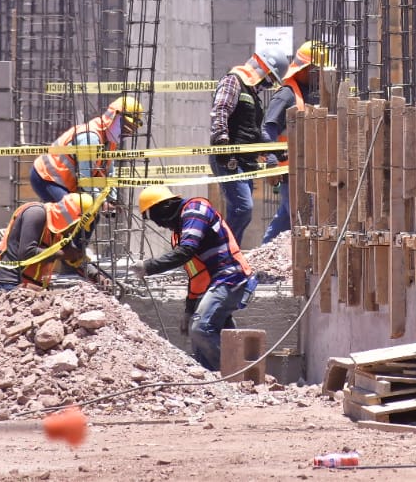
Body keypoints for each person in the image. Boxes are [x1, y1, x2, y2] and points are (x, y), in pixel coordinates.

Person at [132, 185, 257, 371]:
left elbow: (186, 251)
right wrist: (189, 310)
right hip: (215, 282)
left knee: (201, 329)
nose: (158, 224)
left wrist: (149, 267)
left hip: (230, 277)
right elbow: (196, 276)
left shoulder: (195, 210)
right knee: (206, 332)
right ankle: (210, 380)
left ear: (163, 208)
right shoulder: (181, 231)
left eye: (154, 216)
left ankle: (232, 376)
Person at [209, 45, 290, 245]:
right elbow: (220, 110)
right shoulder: (233, 81)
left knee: (242, 211)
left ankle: (224, 250)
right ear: (263, 70)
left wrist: (276, 153)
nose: (269, 85)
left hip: (244, 161)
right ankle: (224, 253)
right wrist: (222, 144)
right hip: (229, 159)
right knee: (242, 208)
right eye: (271, 79)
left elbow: (254, 133)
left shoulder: (253, 96)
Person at [260, 40, 328, 245]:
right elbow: (267, 128)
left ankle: (263, 252)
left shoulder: (311, 92)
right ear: (303, 69)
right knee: (302, 218)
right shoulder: (287, 95)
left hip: (309, 170)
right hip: (291, 172)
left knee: (286, 218)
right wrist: (270, 159)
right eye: (315, 70)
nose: (319, 75)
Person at [31, 96, 145, 205]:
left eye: (130, 130)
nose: (126, 133)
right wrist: (102, 202)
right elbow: (85, 180)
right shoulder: (90, 138)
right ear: (113, 117)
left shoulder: (111, 141)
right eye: (126, 126)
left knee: (89, 215)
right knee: (72, 213)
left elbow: (109, 173)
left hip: (64, 181)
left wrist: (112, 199)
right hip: (47, 176)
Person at [0, 192, 108, 291]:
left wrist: (96, 275)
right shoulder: (35, 213)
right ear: (72, 218)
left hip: (33, 286)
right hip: (10, 284)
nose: (75, 230)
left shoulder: (60, 229)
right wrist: (63, 254)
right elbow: (26, 252)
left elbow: (75, 258)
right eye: (77, 225)